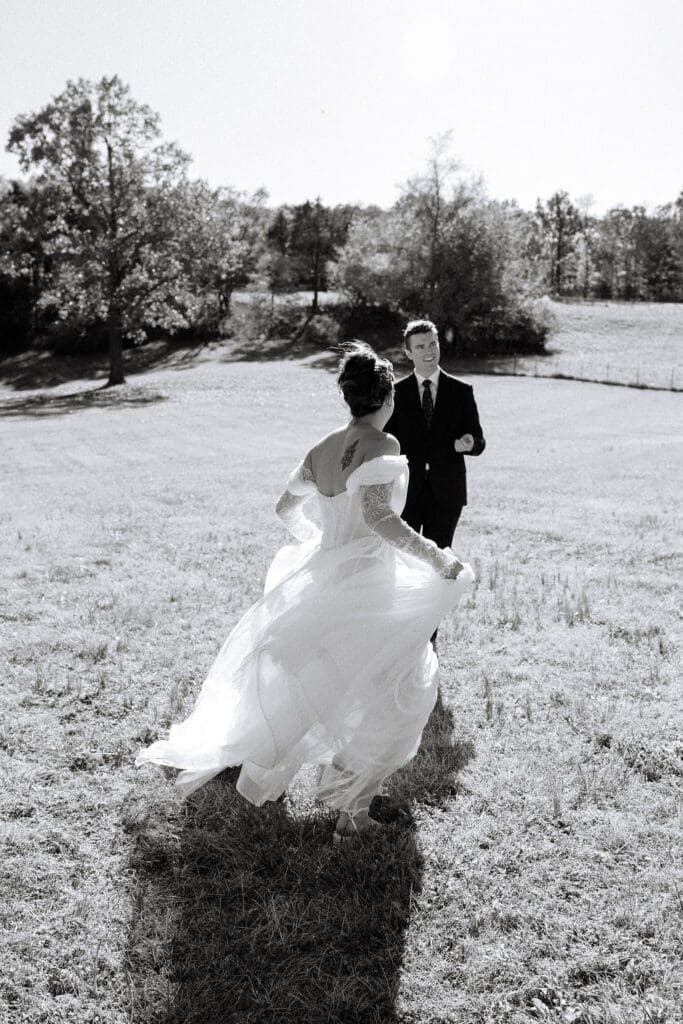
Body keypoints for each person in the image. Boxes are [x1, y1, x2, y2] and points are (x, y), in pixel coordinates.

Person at [136, 343, 473, 841]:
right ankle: (352, 812)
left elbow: (284, 508)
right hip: (368, 584)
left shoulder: (321, 448)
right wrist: (439, 557)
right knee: (397, 685)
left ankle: (335, 790)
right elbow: (382, 519)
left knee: (325, 680)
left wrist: (319, 543)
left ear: (350, 398)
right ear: (387, 400)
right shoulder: (383, 447)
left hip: (324, 578)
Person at [385, 320, 486, 548]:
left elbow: (479, 441)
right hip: (406, 492)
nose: (429, 351)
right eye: (420, 347)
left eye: (432, 344)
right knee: (405, 559)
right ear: (409, 353)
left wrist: (470, 443)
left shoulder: (461, 392)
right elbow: (385, 443)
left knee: (440, 562)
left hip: (448, 493)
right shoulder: (394, 394)